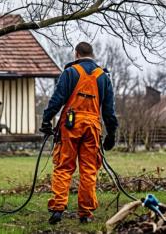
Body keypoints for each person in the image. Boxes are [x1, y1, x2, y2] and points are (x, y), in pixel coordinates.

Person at [40, 42, 118, 224]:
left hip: (70, 125)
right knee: (89, 170)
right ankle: (85, 213)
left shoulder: (70, 72)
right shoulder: (103, 76)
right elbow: (108, 110)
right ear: (92, 54)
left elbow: (57, 99)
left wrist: (46, 120)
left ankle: (58, 209)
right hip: (92, 127)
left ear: (76, 54)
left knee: (63, 167)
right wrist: (112, 133)